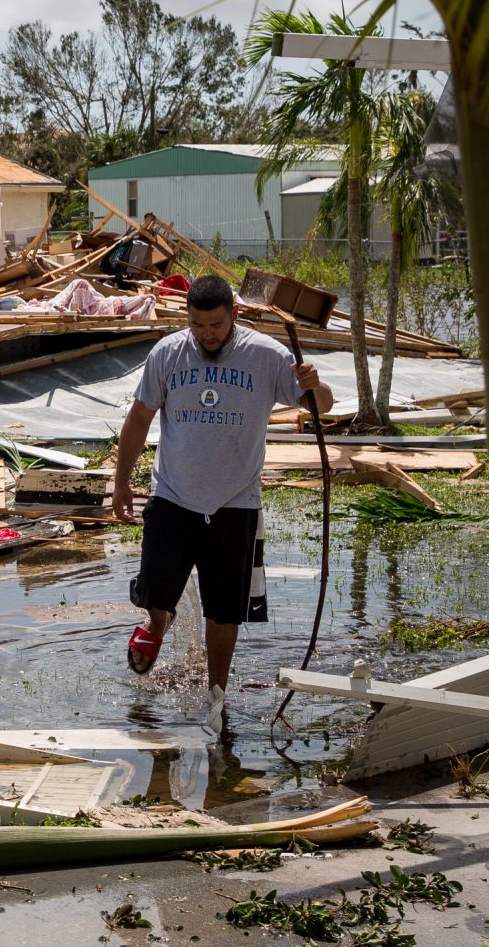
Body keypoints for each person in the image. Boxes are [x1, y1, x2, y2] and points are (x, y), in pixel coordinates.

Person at [110, 273, 333, 731]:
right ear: (186, 318)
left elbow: (321, 406)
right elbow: (138, 419)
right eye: (198, 326)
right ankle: (156, 626)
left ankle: (217, 693)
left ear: (234, 314)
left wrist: (315, 384)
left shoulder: (268, 357)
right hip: (172, 498)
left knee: (224, 610)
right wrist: (119, 483)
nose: (207, 335)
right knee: (156, 594)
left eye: (215, 325)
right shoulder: (168, 354)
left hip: (235, 504)